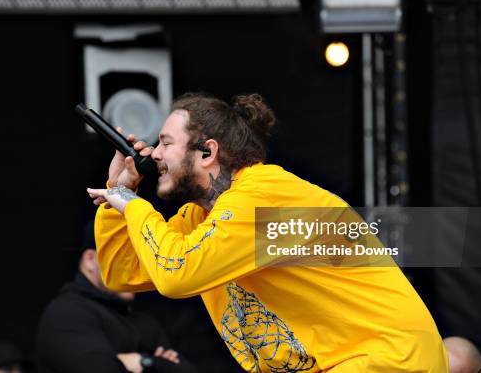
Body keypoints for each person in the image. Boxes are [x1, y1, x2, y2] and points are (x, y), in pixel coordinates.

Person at [87, 93, 449, 372]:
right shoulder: (202, 217)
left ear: (207, 152)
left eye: (166, 142)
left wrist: (130, 204)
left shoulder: (260, 196)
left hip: (387, 361)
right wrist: (121, 193)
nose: (153, 154)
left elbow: (177, 275)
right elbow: (123, 273)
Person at [36, 224, 197, 373]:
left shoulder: (143, 320)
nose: (136, 267)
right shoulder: (66, 313)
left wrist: (143, 362)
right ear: (91, 260)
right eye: (124, 257)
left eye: (139, 258)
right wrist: (158, 364)